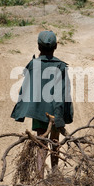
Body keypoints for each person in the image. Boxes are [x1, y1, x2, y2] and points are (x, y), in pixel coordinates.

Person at [11, 31, 73, 178]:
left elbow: (25, 90)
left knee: (41, 142)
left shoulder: (34, 64)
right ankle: (55, 173)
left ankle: (39, 177)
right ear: (56, 46)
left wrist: (20, 111)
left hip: (39, 112)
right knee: (55, 142)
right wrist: (61, 117)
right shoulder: (61, 66)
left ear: (38, 47)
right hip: (56, 111)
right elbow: (63, 93)